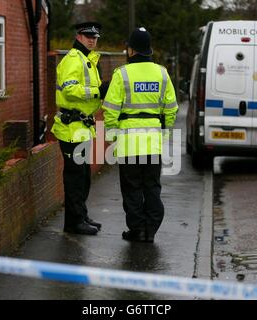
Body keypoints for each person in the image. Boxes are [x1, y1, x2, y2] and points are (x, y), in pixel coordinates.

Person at [102, 27, 178, 243]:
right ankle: (151, 229)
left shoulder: (122, 74)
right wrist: (163, 132)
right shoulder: (162, 73)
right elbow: (171, 108)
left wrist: (112, 135)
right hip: (152, 143)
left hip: (128, 144)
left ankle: (137, 229)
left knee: (132, 188)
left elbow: (110, 108)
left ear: (132, 50)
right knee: (152, 187)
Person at [52, 21, 109, 235]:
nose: (92, 40)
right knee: (75, 177)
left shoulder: (88, 60)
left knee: (83, 175)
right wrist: (98, 91)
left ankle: (81, 216)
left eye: (95, 37)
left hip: (82, 126)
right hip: (71, 127)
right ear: (79, 37)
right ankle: (74, 223)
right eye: (88, 37)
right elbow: (70, 91)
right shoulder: (73, 60)